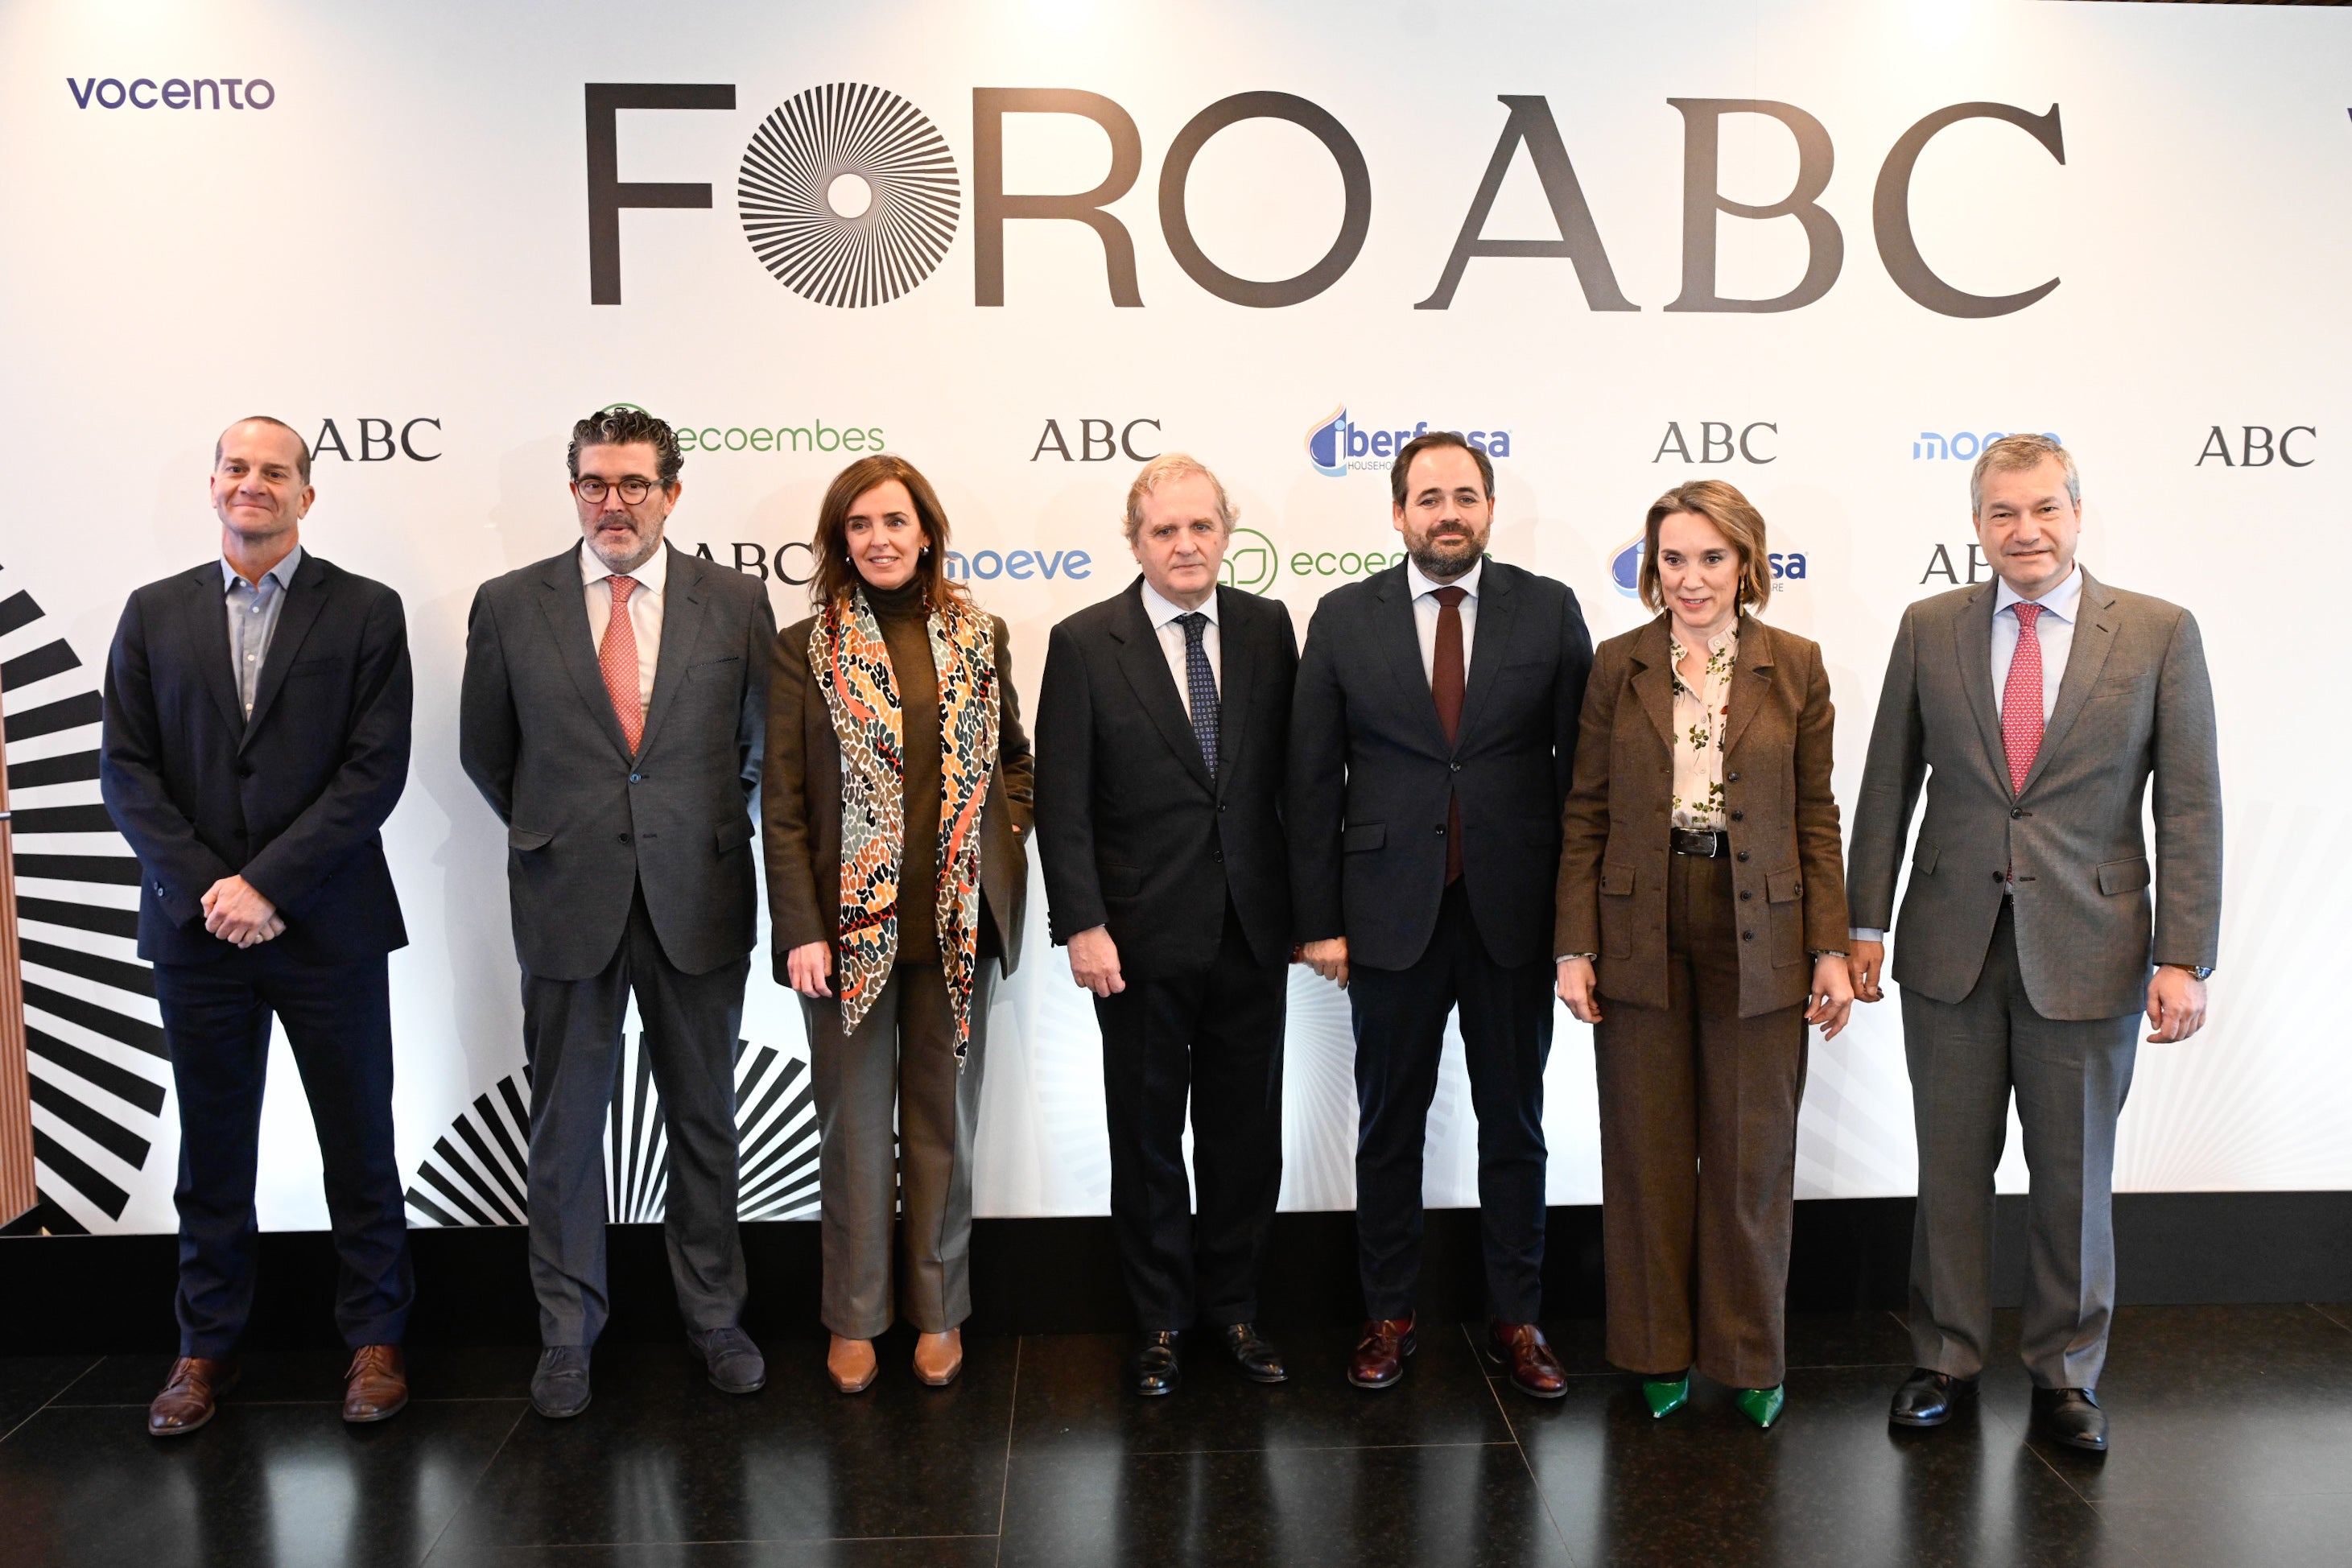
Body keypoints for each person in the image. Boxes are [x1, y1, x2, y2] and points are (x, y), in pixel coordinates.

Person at [1847, 434, 2221, 1453]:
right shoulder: (1930, 627)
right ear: (1976, 526)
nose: (2026, 530)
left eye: (2045, 509)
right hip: (1949, 948)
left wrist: (2184, 955)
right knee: (1951, 1172)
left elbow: (2188, 806)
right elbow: (1889, 782)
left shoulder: (2155, 632)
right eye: (2003, 513)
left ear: (2078, 513)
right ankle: (1945, 1359)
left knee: (2074, 1177)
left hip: (2093, 948)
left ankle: (2068, 1376)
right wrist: (1861, 921)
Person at [459, 406, 776, 1418]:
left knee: (706, 1119)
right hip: (568, 897)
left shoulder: (737, 600)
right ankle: (565, 1333)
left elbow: (758, 743)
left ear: (673, 493)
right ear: (574, 492)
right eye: (595, 483)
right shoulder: (510, 604)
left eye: (635, 483)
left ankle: (715, 1318)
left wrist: (682, 825)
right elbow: (487, 752)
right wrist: (564, 828)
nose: (614, 502)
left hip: (699, 894)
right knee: (562, 1127)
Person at [101, 416, 415, 1436]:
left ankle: (375, 1340)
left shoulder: (367, 611)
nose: (254, 484)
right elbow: (127, 772)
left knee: (360, 1142)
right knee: (214, 1149)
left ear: (306, 496)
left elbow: (374, 771)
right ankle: (206, 1348)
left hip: (329, 925)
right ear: (213, 485)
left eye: (275, 472)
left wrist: (268, 884)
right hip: (198, 936)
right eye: (238, 468)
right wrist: (210, 888)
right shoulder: (152, 615)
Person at [1290, 430, 1594, 1398]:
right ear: (1397, 513)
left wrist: (1578, 925)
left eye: (1465, 495)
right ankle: (1388, 1313)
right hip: (1385, 918)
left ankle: (1518, 1316)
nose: (1448, 512)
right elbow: (1310, 781)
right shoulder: (1342, 618)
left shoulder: (1549, 612)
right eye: (1429, 497)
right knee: (1388, 1126)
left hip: (1514, 914)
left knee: (1517, 1123)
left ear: (1491, 509)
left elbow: (1582, 782)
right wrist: (1321, 921)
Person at [1554, 481, 1852, 1431]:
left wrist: (1832, 948)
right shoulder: (1617, 665)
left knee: (1749, 1155)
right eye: (1674, 558)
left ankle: (1749, 1355)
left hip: (1758, 922)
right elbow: (1587, 812)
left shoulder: (1796, 666)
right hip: (1641, 921)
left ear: (1746, 563)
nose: (1691, 578)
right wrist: (1574, 944)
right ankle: (1655, 1352)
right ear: (1653, 567)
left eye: (1712, 558)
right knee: (1645, 1151)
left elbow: (1815, 814)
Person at [764, 454, 1032, 1394]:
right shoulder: (804, 648)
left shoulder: (977, 634)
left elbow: (1015, 764)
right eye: (861, 525)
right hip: (843, 942)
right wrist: (799, 923)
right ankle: (853, 1317)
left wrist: (996, 845)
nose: (880, 539)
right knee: (849, 1134)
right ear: (841, 541)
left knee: (942, 1132)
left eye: (896, 521)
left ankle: (939, 1311)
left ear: (928, 532)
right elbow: (785, 803)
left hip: (959, 931)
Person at [1035, 454, 1298, 1397]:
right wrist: (1082, 924)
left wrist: (1310, 915)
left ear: (1227, 533)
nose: (1185, 545)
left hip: (1251, 933)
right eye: (1164, 531)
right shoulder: (1083, 640)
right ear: (1135, 540)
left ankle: (1233, 1311)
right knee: (1146, 1139)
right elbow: (1061, 803)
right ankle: (1158, 1321)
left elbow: (1292, 786)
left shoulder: (1269, 629)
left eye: (1201, 527)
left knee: (1245, 1138)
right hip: (1136, 942)